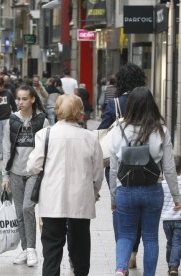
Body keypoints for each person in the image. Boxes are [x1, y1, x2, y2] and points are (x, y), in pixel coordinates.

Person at [27, 94, 103, 276]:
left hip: (52, 200)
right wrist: (94, 192)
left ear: (58, 110)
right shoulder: (90, 138)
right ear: (80, 112)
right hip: (81, 201)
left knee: (51, 250)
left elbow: (32, 167)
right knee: (80, 248)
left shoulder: (44, 135)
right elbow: (98, 173)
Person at [109, 87, 181, 276]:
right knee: (150, 238)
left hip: (126, 190)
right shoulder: (161, 131)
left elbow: (114, 170)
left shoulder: (118, 131)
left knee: (125, 235)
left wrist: (113, 197)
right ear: (151, 105)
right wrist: (176, 197)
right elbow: (170, 169)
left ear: (130, 106)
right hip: (152, 191)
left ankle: (121, 268)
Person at [98, 63, 147, 268]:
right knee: (139, 209)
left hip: (118, 163)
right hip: (144, 161)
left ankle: (123, 250)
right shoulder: (147, 101)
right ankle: (134, 249)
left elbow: (102, 130)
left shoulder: (115, 104)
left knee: (119, 206)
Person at [2, 85, 47, 267]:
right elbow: (6, 149)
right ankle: (25, 248)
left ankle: (31, 250)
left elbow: (47, 148)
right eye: (18, 99)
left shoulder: (42, 121)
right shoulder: (12, 120)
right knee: (20, 212)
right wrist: (5, 176)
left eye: (24, 99)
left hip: (33, 173)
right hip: (15, 172)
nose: (20, 102)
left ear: (33, 99)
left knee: (28, 208)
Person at [161, 155, 181, 276]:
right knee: (177, 242)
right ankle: (173, 266)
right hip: (180, 219)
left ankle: (170, 264)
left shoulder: (163, 184)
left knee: (170, 242)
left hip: (166, 220)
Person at [0, 77, 17, 160]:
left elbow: (13, 104)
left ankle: (7, 152)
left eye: (0, 86)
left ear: (3, 85)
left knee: (8, 136)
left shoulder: (8, 93)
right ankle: (1, 153)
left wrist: (15, 114)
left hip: (7, 118)